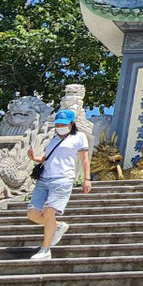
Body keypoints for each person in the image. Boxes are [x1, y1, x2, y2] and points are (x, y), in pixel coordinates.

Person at [25, 109, 91, 260]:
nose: (60, 126)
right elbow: (48, 158)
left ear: (72, 124)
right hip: (45, 179)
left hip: (63, 179)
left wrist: (87, 179)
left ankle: (45, 249)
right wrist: (35, 158)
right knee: (32, 214)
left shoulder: (79, 137)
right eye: (58, 124)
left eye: (63, 124)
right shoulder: (54, 139)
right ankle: (57, 225)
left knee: (49, 211)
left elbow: (85, 159)